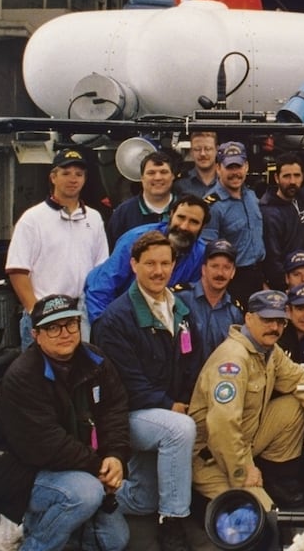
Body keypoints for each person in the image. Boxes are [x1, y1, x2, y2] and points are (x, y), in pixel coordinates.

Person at [0, 294, 130, 551]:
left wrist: (115, 455)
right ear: (36, 335)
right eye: (53, 327)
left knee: (114, 542)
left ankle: (55, 524)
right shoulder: (23, 375)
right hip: (17, 466)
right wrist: (97, 468)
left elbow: (114, 410)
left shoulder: (96, 360)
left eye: (71, 323)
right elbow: (44, 443)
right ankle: (35, 544)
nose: (65, 333)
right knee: (85, 494)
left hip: (72, 462)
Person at [91, 232, 197, 551]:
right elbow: (127, 383)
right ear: (133, 264)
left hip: (163, 412)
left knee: (143, 499)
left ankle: (94, 492)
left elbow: (191, 361)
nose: (158, 271)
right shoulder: (115, 319)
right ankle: (173, 523)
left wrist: (189, 400)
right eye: (149, 263)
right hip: (128, 414)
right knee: (180, 430)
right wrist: (171, 406)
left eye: (165, 263)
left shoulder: (179, 308)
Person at [189, 289, 304, 509]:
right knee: (263, 517)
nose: (275, 328)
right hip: (213, 458)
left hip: (244, 441)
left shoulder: (268, 350)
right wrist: (244, 472)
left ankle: (276, 482)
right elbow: (222, 427)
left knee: (295, 406)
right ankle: (210, 501)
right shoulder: (233, 359)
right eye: (267, 320)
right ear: (248, 318)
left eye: (280, 321)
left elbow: (301, 380)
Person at [6, 148, 109, 348]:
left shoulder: (94, 218)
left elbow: (101, 269)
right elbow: (17, 270)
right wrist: (35, 312)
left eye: (79, 174)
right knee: (39, 376)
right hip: (44, 312)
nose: (73, 179)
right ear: (53, 177)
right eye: (66, 173)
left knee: (78, 375)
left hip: (80, 314)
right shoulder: (32, 219)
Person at [84, 196, 208, 321]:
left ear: (203, 227)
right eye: (180, 217)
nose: (184, 226)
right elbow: (100, 290)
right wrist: (102, 330)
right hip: (109, 312)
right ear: (171, 215)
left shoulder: (201, 254)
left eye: (194, 222)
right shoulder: (135, 240)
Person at [202, 141, 266, 298]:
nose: (235, 172)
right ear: (218, 169)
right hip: (231, 280)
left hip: (259, 274)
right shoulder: (211, 205)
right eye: (229, 167)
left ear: (247, 167)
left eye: (239, 166)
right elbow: (207, 251)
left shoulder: (252, 197)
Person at [176, 238, 244, 375]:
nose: (220, 273)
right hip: (179, 386)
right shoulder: (180, 299)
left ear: (233, 273)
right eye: (214, 266)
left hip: (218, 385)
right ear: (203, 269)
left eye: (226, 267)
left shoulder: (235, 312)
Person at [260, 152, 304, 291]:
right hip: (285, 285)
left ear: (303, 177)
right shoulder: (269, 213)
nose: (292, 181)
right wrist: (286, 285)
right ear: (276, 178)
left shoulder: (303, 197)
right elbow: (272, 260)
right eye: (286, 176)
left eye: (297, 176)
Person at [107, 151, 177, 248]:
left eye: (163, 172)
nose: (158, 177)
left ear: (173, 176)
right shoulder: (123, 213)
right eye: (151, 173)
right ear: (142, 178)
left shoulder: (185, 209)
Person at [174, 131, 222, 201]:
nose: (202, 154)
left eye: (207, 149)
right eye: (197, 149)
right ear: (191, 151)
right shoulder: (180, 184)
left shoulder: (227, 180)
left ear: (217, 150)